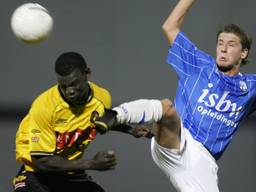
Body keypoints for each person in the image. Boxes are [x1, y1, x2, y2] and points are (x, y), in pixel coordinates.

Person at [97, 0, 256, 191]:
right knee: (167, 108)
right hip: (178, 140)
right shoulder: (198, 64)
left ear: (244, 53)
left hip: (202, 164)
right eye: (220, 43)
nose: (223, 48)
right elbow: (170, 26)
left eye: (231, 45)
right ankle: (114, 115)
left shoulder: (250, 87)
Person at [12, 52, 142, 192]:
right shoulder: (44, 107)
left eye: (74, 84)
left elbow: (99, 120)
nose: (70, 91)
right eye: (63, 86)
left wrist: (131, 129)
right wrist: (91, 163)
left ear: (87, 73)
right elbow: (42, 161)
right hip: (36, 175)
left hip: (70, 173)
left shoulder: (101, 97)